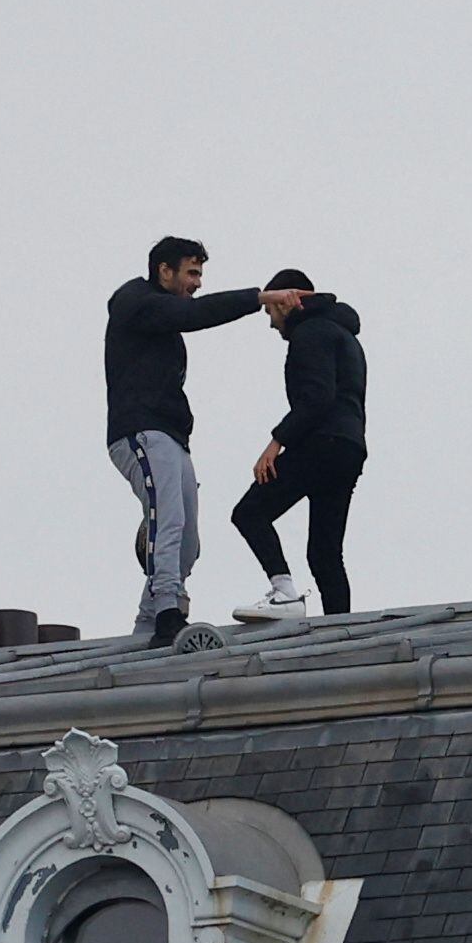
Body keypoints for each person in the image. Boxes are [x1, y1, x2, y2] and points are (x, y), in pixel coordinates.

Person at [106, 238, 303, 646]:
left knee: (189, 542)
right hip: (141, 431)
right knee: (170, 519)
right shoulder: (134, 301)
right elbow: (196, 313)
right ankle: (164, 615)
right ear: (165, 270)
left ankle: (151, 622)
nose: (196, 283)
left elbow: (189, 312)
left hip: (172, 436)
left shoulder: (160, 317)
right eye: (192, 273)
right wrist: (261, 297)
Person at [228, 273, 366, 619]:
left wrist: (276, 442)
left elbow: (316, 398)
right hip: (349, 447)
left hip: (321, 442)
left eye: (271, 313)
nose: (272, 325)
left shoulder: (310, 332)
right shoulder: (342, 333)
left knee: (249, 512)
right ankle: (340, 628)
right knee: (324, 552)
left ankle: (285, 593)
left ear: (285, 302)